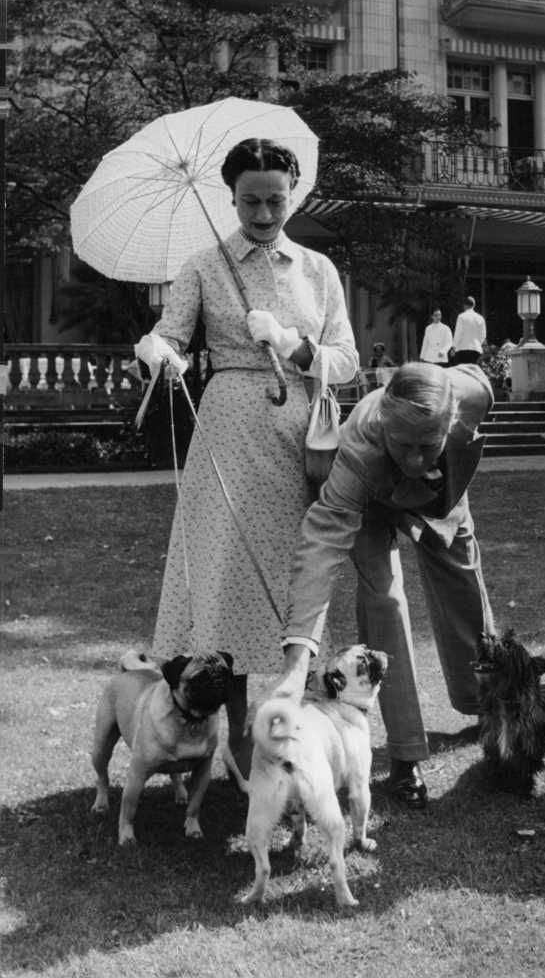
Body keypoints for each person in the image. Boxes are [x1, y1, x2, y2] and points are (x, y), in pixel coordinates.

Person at [134, 138, 359, 775]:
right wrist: (160, 353)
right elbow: (170, 337)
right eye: (251, 201)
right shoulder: (204, 264)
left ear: (294, 196)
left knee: (297, 581)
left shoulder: (317, 269)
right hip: (227, 436)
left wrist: (295, 344)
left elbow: (345, 360)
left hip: (300, 444)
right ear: (230, 197)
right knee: (225, 582)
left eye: (276, 201)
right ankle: (228, 738)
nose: (263, 214)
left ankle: (295, 728)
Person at [274, 361, 496, 808]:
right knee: (385, 602)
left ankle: (486, 706)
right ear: (386, 429)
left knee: (465, 588)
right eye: (402, 445)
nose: (414, 460)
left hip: (444, 501)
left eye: (426, 445)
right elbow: (320, 550)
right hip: (372, 505)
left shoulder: (471, 396)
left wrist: (432, 458)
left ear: (450, 422)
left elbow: (473, 390)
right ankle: (405, 756)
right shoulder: (357, 455)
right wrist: (298, 659)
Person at [452, 296, 486, 365]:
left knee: (462, 373)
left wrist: (454, 347)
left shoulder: (461, 316)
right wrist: (477, 343)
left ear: (465, 305)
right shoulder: (481, 318)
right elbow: (483, 336)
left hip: (462, 349)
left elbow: (458, 333)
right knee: (472, 373)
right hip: (476, 350)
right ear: (474, 305)